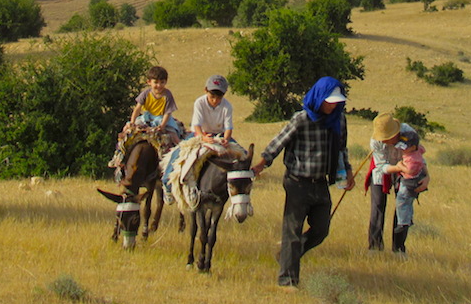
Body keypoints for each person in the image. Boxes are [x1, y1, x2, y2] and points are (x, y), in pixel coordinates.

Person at [252, 76, 355, 289]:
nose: (332, 105)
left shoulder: (338, 120)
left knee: (321, 230)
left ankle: (288, 254)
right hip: (297, 182)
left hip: (321, 183)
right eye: (329, 100)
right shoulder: (302, 119)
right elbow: (278, 142)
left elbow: (342, 148)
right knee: (292, 231)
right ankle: (287, 280)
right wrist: (261, 164)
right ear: (319, 98)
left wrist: (348, 173)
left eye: (336, 101)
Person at [162, 74, 244, 205]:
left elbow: (228, 127)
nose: (215, 100)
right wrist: (203, 138)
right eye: (212, 96)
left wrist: (226, 140)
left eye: (219, 97)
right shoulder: (199, 102)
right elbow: (196, 126)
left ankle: (242, 185)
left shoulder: (227, 106)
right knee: (179, 152)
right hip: (200, 135)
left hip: (220, 135)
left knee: (242, 155)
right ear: (205, 90)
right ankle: (167, 183)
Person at [368, 113, 429, 253]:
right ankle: (375, 248)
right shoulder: (375, 142)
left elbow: (418, 158)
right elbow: (380, 166)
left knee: (403, 205)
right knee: (378, 205)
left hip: (407, 171)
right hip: (384, 170)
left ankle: (399, 249)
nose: (385, 141)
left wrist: (426, 176)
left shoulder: (409, 133)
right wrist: (397, 168)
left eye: (388, 138)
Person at [109, 66, 180, 180]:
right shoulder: (146, 94)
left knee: (174, 136)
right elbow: (137, 108)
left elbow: (167, 113)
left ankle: (177, 161)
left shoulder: (167, 95)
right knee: (126, 131)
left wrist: (162, 126)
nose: (159, 85)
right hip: (147, 117)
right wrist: (132, 122)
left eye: (162, 82)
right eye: (156, 82)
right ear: (149, 82)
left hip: (162, 119)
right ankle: (119, 158)